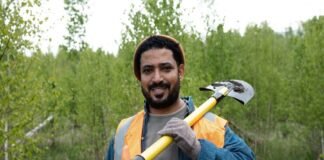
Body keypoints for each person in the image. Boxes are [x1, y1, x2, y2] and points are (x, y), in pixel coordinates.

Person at [105, 35, 255, 160]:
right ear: (139, 76)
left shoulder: (213, 127)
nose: (157, 78)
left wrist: (199, 150)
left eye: (166, 68)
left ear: (180, 71)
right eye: (148, 70)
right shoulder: (123, 131)